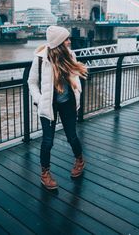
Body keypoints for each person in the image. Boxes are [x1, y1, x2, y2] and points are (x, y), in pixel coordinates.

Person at [28, 25, 87, 190]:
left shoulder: (70, 55)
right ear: (59, 43)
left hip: (67, 103)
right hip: (48, 105)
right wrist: (39, 100)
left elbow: (76, 79)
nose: (69, 41)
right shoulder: (40, 58)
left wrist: (78, 92)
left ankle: (80, 160)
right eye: (66, 39)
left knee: (71, 137)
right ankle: (45, 174)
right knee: (47, 141)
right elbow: (31, 82)